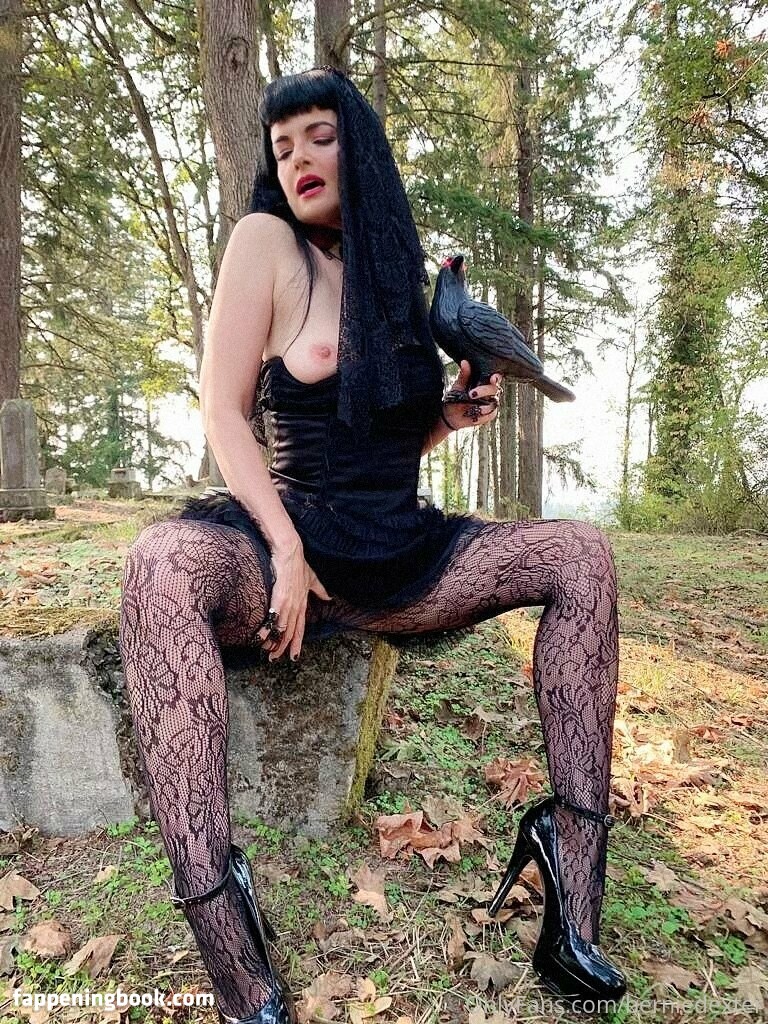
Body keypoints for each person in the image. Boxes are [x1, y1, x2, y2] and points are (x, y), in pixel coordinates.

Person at [118, 66, 626, 1023]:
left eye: (320, 136)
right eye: (282, 148)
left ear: (361, 146)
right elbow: (224, 414)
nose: (298, 159)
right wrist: (284, 549)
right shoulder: (266, 243)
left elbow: (380, 435)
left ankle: (573, 892)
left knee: (583, 554)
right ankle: (231, 947)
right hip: (290, 540)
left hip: (400, 556)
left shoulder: (393, 276)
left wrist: (446, 419)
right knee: (157, 563)